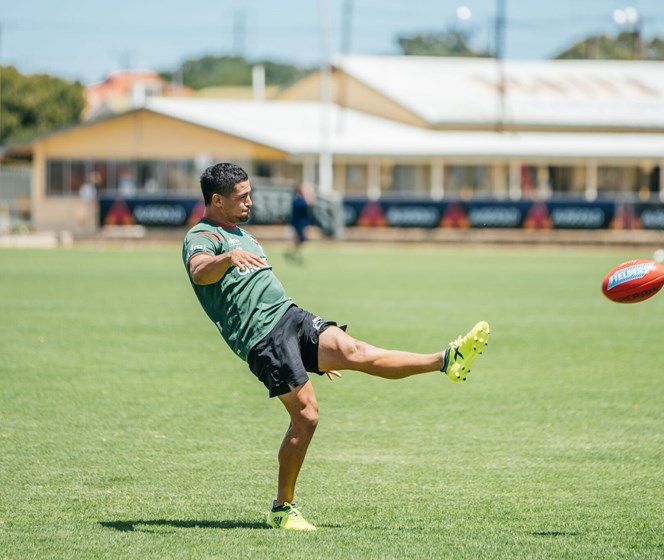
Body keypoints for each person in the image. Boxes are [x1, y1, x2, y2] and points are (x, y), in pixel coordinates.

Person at [182, 163, 490, 532]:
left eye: (250, 194)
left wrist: (311, 356)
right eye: (241, 197)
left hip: (290, 316)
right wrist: (227, 258)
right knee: (307, 417)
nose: (250, 202)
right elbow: (200, 271)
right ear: (217, 201)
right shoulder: (202, 235)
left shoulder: (244, 234)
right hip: (264, 338)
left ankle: (446, 360)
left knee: (356, 351)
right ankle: (282, 509)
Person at [286, 182, 315, 263]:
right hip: (298, 223)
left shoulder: (299, 199)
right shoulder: (298, 200)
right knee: (299, 239)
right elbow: (308, 204)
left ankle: (293, 251)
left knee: (300, 239)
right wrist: (311, 195)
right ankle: (292, 251)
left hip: (302, 223)